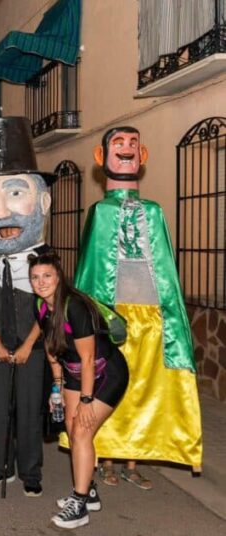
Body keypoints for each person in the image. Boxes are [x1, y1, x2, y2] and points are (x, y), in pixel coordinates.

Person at [74, 127, 202, 486]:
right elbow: (91, 271)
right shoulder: (99, 213)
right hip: (114, 317)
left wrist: (170, 317)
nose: (127, 149)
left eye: (133, 144)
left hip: (150, 316)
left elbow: (165, 272)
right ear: (102, 158)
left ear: (142, 155)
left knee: (145, 387)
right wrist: (93, 319)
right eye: (119, 143)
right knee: (111, 383)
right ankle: (108, 459)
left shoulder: (154, 212)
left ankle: (133, 461)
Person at [0, 117, 54, 497]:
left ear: (43, 202)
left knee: (29, 412)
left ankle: (30, 472)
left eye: (15, 193)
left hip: (32, 352)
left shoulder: (44, 266)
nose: (1, 212)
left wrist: (24, 347)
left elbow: (48, 311)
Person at [25, 253, 129, 529]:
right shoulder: (40, 304)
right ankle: (89, 490)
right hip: (72, 371)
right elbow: (51, 344)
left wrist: (86, 399)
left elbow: (87, 358)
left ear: (58, 277)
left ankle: (80, 503)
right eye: (35, 277)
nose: (41, 282)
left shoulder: (75, 306)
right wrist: (56, 386)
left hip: (105, 372)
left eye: (47, 276)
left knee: (82, 430)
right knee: (72, 431)